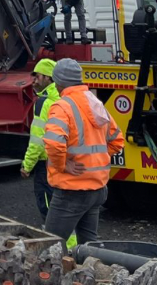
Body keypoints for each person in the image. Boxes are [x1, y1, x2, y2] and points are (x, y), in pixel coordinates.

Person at [41, 58, 123, 250]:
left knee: (50, 247)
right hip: (97, 189)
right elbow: (117, 140)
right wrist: (95, 161)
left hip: (72, 189)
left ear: (58, 82)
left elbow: (53, 143)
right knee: (89, 247)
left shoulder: (62, 106)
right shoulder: (96, 104)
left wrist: (63, 165)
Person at [21, 57, 61, 221]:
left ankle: (54, 242)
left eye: (37, 76)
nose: (34, 80)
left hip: (46, 163)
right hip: (63, 160)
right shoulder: (64, 98)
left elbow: (37, 140)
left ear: (48, 77)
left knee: (47, 206)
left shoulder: (43, 103)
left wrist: (27, 165)